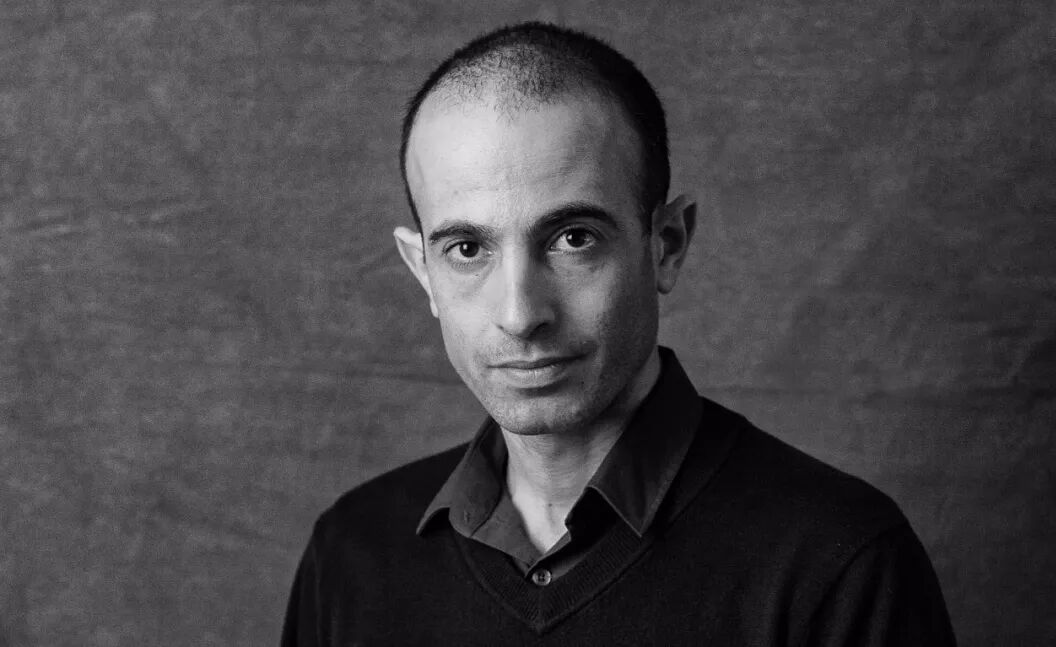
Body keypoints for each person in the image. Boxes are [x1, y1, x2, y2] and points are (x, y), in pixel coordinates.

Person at [281, 22, 955, 646]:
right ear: (422, 269)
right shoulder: (349, 557)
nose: (520, 313)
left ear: (666, 245)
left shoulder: (839, 563)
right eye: (467, 249)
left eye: (573, 238)